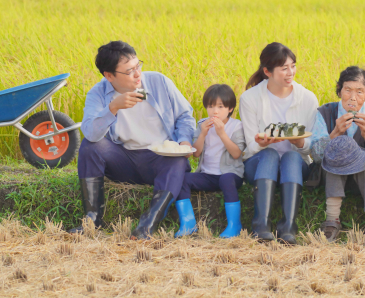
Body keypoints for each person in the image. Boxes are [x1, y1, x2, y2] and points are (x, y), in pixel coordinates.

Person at [69, 41, 195, 239]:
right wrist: (112, 108)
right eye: (129, 71)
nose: (138, 74)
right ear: (109, 76)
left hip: (160, 158)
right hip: (123, 159)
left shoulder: (159, 82)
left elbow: (185, 115)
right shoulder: (98, 93)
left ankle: (148, 224)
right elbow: (91, 132)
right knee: (90, 146)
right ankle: (92, 220)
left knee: (178, 160)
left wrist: (184, 142)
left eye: (138, 66)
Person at [239, 42, 318, 244]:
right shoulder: (249, 98)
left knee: (291, 155)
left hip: (295, 166)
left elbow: (313, 147)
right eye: (283, 68)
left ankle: (288, 227)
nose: (290, 72)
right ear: (267, 71)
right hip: (259, 165)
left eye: (292, 66)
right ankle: (261, 225)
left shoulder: (308, 99)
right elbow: (250, 146)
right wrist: (263, 142)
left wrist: (300, 142)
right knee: (270, 154)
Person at [310, 66, 365, 241]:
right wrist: (335, 133)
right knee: (339, 148)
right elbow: (315, 154)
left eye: (360, 92)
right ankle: (332, 220)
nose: (353, 98)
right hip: (331, 177)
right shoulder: (325, 113)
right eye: (348, 90)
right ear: (339, 91)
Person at [174, 84, 246, 238]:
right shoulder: (202, 124)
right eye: (211, 106)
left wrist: (222, 134)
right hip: (208, 175)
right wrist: (203, 134)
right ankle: (188, 223)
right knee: (182, 179)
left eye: (220, 106)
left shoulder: (236, 126)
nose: (215, 111)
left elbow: (236, 153)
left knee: (226, 180)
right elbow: (196, 153)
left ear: (230, 108)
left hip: (230, 174)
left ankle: (234, 225)